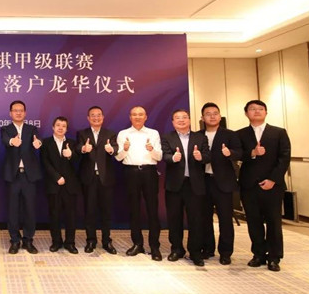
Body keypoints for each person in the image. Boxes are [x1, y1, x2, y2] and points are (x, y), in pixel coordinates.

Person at [237, 99, 291, 272]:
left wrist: (273, 180)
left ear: (266, 112)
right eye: (252, 109)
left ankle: (274, 257)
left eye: (260, 109)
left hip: (273, 185)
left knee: (274, 222)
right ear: (246, 113)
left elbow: (284, 158)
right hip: (249, 185)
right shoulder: (240, 134)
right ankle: (258, 254)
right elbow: (237, 155)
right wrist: (252, 152)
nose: (257, 111)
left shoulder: (278, 132)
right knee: (253, 221)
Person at [161, 109, 210, 267]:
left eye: (184, 117)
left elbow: (208, 156)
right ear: (173, 122)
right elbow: (164, 156)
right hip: (174, 184)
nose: (181, 120)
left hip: (194, 184)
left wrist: (201, 157)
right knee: (174, 219)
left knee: (196, 219)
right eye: (177, 118)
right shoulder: (167, 137)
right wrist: (173, 158)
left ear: (189, 120)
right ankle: (177, 249)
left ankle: (195, 251)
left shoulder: (200, 137)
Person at [115, 106, 163, 261]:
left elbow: (159, 157)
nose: (137, 117)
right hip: (131, 172)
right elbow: (118, 157)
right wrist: (125, 149)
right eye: (134, 114)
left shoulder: (153, 133)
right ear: (130, 117)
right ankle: (137, 244)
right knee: (133, 209)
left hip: (149, 172)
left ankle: (154, 246)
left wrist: (151, 150)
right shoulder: (123, 134)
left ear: (146, 117)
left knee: (152, 210)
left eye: (140, 114)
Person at [200, 102, 243, 265]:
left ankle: (225, 252)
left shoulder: (230, 135)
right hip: (203, 181)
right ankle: (207, 248)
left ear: (220, 116)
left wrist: (229, 153)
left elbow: (239, 153)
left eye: (215, 113)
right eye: (208, 114)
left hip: (223, 182)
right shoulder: (198, 135)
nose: (212, 116)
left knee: (225, 219)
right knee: (204, 218)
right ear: (202, 117)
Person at [1, 100, 43, 254]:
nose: (18, 113)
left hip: (29, 175)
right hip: (13, 175)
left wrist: (38, 143)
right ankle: (14, 240)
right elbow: (5, 140)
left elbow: (37, 141)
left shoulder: (32, 129)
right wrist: (12, 141)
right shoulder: (5, 129)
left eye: (21, 110)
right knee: (13, 210)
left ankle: (28, 240)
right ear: (10, 113)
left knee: (30, 209)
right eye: (15, 110)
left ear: (25, 113)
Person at [75, 106, 119, 254]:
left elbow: (115, 148)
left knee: (106, 211)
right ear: (88, 118)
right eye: (93, 115)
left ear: (103, 117)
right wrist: (83, 149)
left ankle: (107, 241)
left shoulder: (110, 134)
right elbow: (77, 148)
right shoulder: (82, 133)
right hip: (89, 178)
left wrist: (111, 150)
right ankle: (91, 240)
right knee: (90, 211)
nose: (96, 118)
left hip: (105, 178)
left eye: (99, 115)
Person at [40, 116, 80, 254]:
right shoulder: (45, 143)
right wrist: (57, 177)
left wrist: (70, 155)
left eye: (63, 126)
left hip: (70, 186)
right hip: (53, 184)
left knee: (71, 216)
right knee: (54, 215)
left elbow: (78, 160)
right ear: (53, 127)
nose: (60, 128)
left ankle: (70, 243)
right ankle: (56, 241)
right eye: (58, 125)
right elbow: (45, 162)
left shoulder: (72, 143)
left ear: (66, 129)